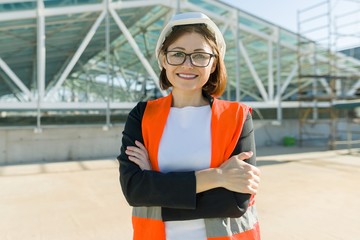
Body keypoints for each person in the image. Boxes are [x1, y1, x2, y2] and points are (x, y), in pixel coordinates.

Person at [117, 12, 261, 240]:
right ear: (163, 59)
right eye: (177, 54)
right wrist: (218, 176)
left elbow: (235, 202)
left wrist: (156, 186)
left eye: (200, 56)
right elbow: (135, 190)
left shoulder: (237, 116)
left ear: (213, 63)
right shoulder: (142, 115)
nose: (188, 64)